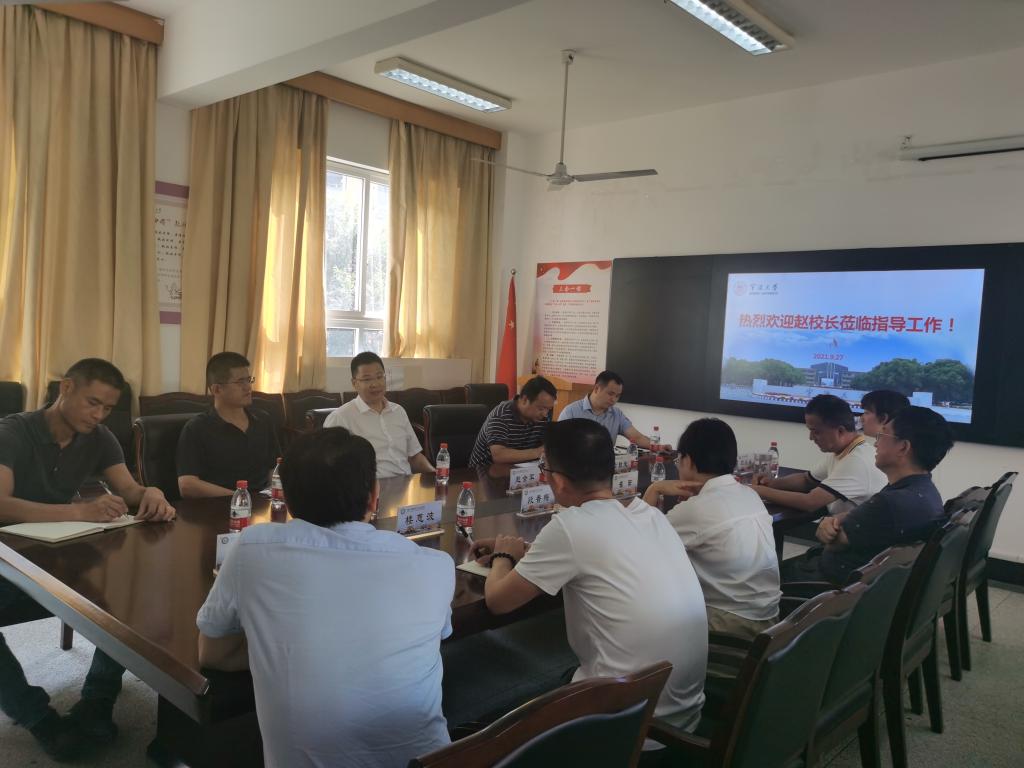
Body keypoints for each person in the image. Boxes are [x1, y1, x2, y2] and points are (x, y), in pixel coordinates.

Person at [196, 427, 455, 768]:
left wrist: (286, 648)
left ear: (286, 499)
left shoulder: (252, 550)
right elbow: (433, 637)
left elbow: (211, 653)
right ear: (374, 496)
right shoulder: (436, 565)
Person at [475, 419, 708, 732]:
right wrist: (524, 549)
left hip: (623, 728)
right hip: (682, 717)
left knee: (497, 720)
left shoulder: (570, 527)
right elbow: (592, 551)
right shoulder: (651, 516)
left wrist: (503, 556)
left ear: (558, 481)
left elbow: (498, 601)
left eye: (544, 467)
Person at [0, 358, 175, 760]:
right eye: (92, 403)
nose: (98, 415)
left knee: (132, 598)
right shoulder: (12, 432)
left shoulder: (99, 438)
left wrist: (151, 493)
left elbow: (129, 490)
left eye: (107, 408)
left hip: (57, 555)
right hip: (7, 557)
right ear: (66, 388)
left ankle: (97, 701)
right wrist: (78, 512)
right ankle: (39, 719)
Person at [782, 406, 955, 585]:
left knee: (765, 579)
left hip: (830, 589)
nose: (876, 444)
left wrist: (826, 523)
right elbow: (859, 517)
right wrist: (838, 518)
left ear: (903, 447)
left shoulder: (889, 503)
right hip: (868, 587)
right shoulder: (924, 490)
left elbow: (833, 542)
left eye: (882, 435)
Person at [643, 418, 781, 640]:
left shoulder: (697, 509)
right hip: (770, 621)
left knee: (645, 605)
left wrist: (654, 489)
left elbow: (641, 544)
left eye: (679, 459)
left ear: (689, 461)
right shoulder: (749, 494)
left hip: (730, 625)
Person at [753, 394, 886, 516]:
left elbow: (810, 502)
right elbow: (807, 480)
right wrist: (772, 483)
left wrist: (756, 490)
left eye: (816, 432)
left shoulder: (857, 461)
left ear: (840, 431)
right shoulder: (843, 452)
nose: (811, 438)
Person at [176, 352, 281, 497]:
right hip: (220, 505)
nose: (248, 387)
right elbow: (187, 485)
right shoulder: (196, 428)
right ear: (217, 389)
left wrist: (275, 494)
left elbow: (274, 467)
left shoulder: (263, 420)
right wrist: (241, 498)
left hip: (263, 502)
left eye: (249, 380)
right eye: (240, 382)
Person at [323, 352, 434, 478]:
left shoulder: (398, 411)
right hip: (370, 487)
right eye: (367, 379)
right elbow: (329, 468)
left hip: (406, 485)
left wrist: (438, 477)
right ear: (354, 383)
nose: (375, 384)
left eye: (379, 377)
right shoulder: (340, 418)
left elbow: (414, 457)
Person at [468, 376, 557, 467]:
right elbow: (499, 456)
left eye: (548, 409)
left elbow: (546, 447)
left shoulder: (542, 418)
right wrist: (537, 452)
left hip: (519, 470)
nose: (545, 414)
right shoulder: (501, 415)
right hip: (481, 471)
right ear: (525, 400)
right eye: (541, 408)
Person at [557, 370, 652, 448]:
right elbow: (558, 443)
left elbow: (637, 437)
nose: (614, 400)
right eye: (610, 394)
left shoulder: (617, 414)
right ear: (596, 388)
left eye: (617, 396)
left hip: (606, 463)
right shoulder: (571, 412)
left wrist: (657, 447)